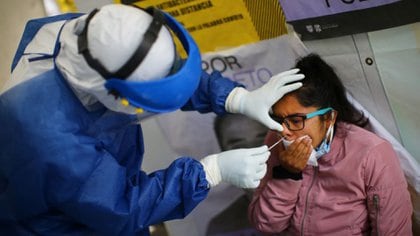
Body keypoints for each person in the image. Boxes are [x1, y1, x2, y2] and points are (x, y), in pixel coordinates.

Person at [0, 4, 304, 236]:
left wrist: (234, 97)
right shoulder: (52, 142)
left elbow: (160, 73)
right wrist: (209, 172)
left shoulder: (94, 34)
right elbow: (120, 208)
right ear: (116, 96)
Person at [248, 53, 413, 235]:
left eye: (296, 121)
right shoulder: (275, 139)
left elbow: (393, 231)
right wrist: (287, 174)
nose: (284, 131)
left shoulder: (371, 153)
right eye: (279, 119)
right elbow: (265, 225)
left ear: (329, 117)